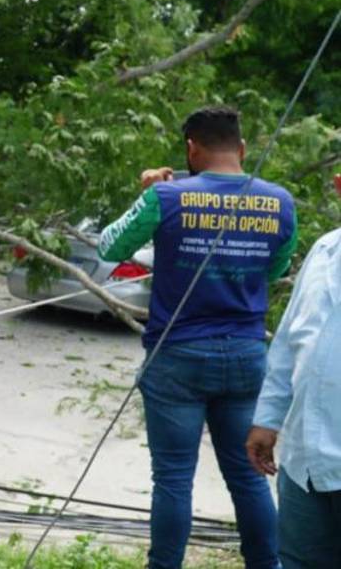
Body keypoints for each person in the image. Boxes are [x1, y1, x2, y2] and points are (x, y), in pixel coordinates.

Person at [97, 106, 298, 569]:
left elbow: (110, 246)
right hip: (247, 355)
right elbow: (278, 268)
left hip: (177, 356)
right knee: (248, 478)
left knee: (172, 479)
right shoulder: (280, 202)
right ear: (242, 148)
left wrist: (147, 195)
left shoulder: (167, 196)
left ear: (191, 148)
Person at [247, 196, 341, 568]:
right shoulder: (324, 250)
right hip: (306, 461)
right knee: (297, 561)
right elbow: (289, 341)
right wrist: (267, 418)